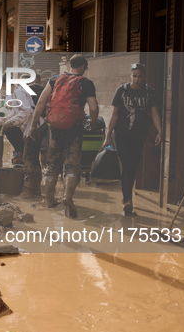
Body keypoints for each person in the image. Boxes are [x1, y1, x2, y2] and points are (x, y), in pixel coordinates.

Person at [30, 54, 99, 218]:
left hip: (54, 128)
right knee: (72, 166)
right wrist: (93, 124)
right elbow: (94, 108)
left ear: (70, 65)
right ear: (83, 67)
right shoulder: (86, 83)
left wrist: (33, 124)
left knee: (52, 165)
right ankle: (67, 198)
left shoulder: (54, 79)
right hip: (74, 129)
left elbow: (41, 102)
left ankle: (49, 201)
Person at [102, 63, 162, 216]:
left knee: (132, 166)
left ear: (144, 77)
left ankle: (127, 197)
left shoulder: (149, 92)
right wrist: (108, 136)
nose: (136, 79)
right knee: (126, 164)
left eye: (140, 76)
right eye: (134, 76)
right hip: (121, 134)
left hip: (139, 135)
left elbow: (155, 113)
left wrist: (160, 132)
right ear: (130, 75)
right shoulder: (122, 90)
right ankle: (127, 199)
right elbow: (115, 114)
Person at [0, 74, 47, 198]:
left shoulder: (19, 92)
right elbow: (13, 114)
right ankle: (36, 192)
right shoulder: (15, 94)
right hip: (31, 128)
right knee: (34, 160)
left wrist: (9, 124)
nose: (2, 91)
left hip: (34, 129)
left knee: (29, 159)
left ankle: (28, 191)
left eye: (2, 87)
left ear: (5, 85)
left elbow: (27, 112)